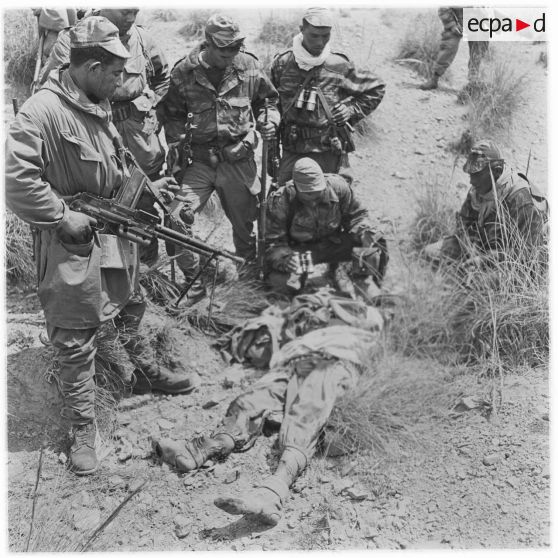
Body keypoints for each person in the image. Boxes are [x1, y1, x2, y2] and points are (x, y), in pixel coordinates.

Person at [5, 17, 198, 476]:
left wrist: (150, 189)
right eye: (115, 73)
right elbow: (15, 181)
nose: (121, 82)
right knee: (75, 337)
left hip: (113, 232)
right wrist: (60, 216)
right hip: (70, 243)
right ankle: (82, 427)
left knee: (131, 302)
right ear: (92, 68)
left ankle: (140, 371)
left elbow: (114, 166)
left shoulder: (97, 101)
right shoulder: (41, 112)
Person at [154, 322, 383, 526]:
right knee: (250, 401)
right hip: (294, 364)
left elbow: (368, 356)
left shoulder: (363, 329)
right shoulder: (311, 322)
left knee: (308, 409)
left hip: (332, 365)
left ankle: (274, 491)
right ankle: (208, 446)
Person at [38, 8, 171, 265]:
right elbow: (54, 91)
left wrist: (148, 106)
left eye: (135, 10)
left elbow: (163, 78)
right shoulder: (75, 40)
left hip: (139, 143)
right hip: (91, 142)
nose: (131, 16)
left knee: (143, 211)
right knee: (102, 213)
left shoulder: (143, 39)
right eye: (125, 10)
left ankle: (147, 273)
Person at [157, 14, 280, 288]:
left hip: (238, 160)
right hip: (198, 164)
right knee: (175, 219)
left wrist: (269, 120)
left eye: (235, 47)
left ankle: (247, 283)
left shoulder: (248, 66)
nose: (230, 54)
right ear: (208, 43)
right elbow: (172, 115)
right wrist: (178, 151)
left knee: (246, 228)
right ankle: (197, 278)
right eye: (224, 48)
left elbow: (268, 101)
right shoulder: (184, 72)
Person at [270, 7, 386, 185]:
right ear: (301, 30)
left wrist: (350, 110)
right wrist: (272, 151)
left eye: (326, 36)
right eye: (314, 35)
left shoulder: (338, 65)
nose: (320, 42)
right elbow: (271, 105)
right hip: (292, 149)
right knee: (285, 196)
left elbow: (376, 87)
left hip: (329, 150)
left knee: (334, 197)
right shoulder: (283, 64)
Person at [264, 158, 388, 301]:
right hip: (300, 252)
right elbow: (272, 243)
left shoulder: (339, 188)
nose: (314, 198)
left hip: (334, 244)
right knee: (280, 285)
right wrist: (286, 259)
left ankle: (364, 282)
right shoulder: (281, 201)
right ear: (296, 188)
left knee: (374, 242)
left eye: (318, 191)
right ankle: (297, 290)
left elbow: (358, 216)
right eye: (308, 194)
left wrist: (365, 231)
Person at [424, 139, 546, 265]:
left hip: (508, 260)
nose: (471, 181)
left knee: (479, 276)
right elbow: (464, 224)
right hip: (481, 246)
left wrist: (486, 260)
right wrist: (470, 247)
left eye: (477, 175)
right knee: (430, 252)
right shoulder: (479, 189)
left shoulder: (520, 199)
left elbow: (530, 252)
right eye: (471, 175)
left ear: (496, 171)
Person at [419, 7, 489, 97]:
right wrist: (452, 25)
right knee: (449, 45)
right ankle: (434, 79)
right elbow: (443, 8)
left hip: (476, 20)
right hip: (456, 20)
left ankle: (473, 82)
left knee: (479, 47)